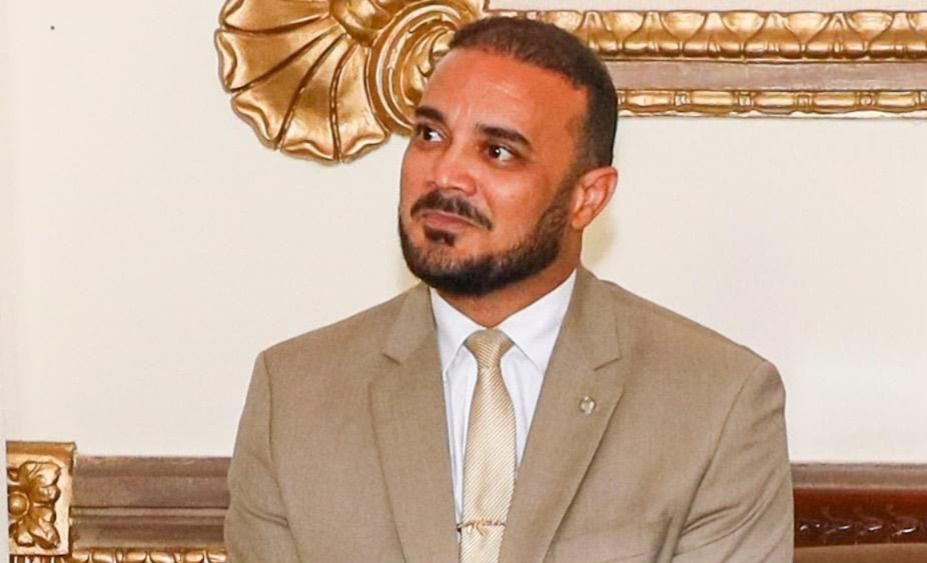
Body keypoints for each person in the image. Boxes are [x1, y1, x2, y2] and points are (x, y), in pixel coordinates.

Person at [224, 17, 793, 563]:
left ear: (587, 198)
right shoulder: (294, 396)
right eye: (430, 135)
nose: (445, 175)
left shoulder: (716, 404)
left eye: (497, 152)